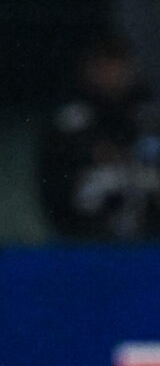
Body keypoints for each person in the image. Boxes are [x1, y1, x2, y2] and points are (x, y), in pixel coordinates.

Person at [38, 35, 160, 240]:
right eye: (104, 67)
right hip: (84, 239)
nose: (112, 74)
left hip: (148, 241)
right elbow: (52, 182)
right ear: (90, 68)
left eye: (118, 66)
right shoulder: (68, 120)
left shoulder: (149, 116)